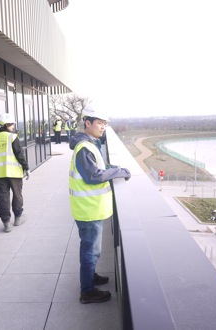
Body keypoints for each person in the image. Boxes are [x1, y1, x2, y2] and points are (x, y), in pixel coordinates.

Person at [69, 106, 131, 304]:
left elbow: (100, 168)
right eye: (99, 123)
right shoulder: (84, 148)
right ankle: (87, 291)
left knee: (89, 248)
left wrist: (116, 168)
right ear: (88, 123)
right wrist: (119, 172)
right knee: (90, 250)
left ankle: (90, 276)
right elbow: (94, 176)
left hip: (89, 207)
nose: (103, 127)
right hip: (89, 209)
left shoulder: (89, 143)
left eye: (105, 123)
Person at [0, 113, 30, 233]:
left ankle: (6, 223)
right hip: (13, 173)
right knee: (17, 195)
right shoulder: (12, 137)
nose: (13, 127)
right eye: (11, 124)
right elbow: (19, 154)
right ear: (6, 125)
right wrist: (26, 168)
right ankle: (18, 218)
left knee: (2, 198)